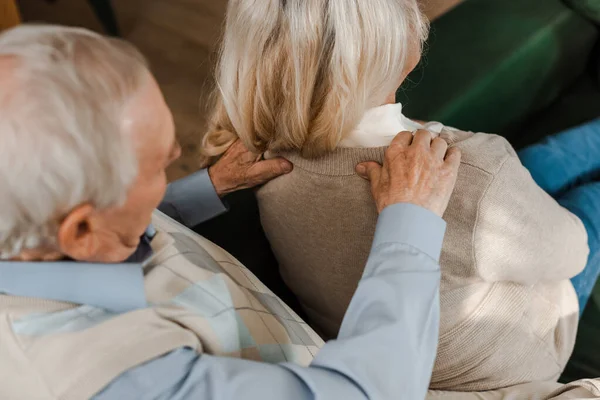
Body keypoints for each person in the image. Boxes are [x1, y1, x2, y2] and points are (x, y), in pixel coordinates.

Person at [0, 24, 461, 400]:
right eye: (160, 164)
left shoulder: (30, 221)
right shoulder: (119, 379)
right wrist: (408, 218)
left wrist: (208, 186)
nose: (180, 152)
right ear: (81, 230)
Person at [201, 0, 591, 392]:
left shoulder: (257, 160)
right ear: (391, 44)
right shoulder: (476, 169)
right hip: (517, 356)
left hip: (402, 336)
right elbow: (576, 252)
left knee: (541, 165)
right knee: (589, 200)